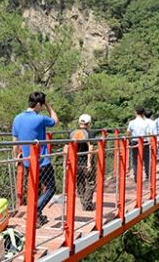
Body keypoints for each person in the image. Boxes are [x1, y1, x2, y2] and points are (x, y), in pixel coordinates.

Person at [12, 92, 59, 227]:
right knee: (50, 187)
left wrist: (16, 157)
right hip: (42, 161)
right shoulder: (40, 119)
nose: (42, 108)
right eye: (42, 105)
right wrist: (49, 107)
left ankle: (36, 215)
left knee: (33, 188)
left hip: (27, 161)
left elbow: (15, 141)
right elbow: (55, 121)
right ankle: (35, 211)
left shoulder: (17, 118)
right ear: (38, 104)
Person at [68, 114, 96, 211]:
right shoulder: (90, 133)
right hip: (85, 161)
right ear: (88, 123)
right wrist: (89, 163)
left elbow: (68, 147)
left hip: (75, 161)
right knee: (90, 182)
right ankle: (87, 203)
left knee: (79, 182)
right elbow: (91, 148)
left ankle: (84, 202)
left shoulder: (72, 133)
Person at [127, 106, 150, 182]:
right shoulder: (146, 122)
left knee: (135, 160)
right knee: (146, 159)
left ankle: (136, 177)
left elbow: (128, 133)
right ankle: (147, 175)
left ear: (135, 112)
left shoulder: (132, 122)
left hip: (134, 142)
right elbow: (148, 133)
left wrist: (128, 140)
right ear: (143, 113)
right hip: (144, 142)